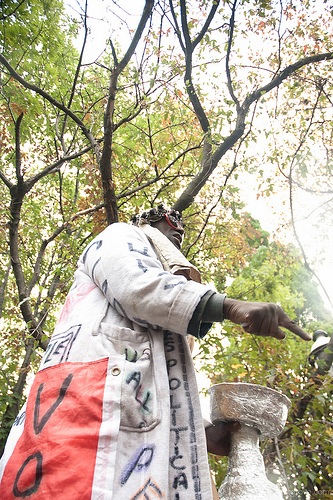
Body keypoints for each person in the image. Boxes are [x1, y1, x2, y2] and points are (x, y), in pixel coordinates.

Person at [0, 204, 310, 500]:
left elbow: (157, 386)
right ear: (146, 222)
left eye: (183, 227)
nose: (180, 228)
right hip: (77, 411)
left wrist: (202, 433)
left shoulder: (169, 314)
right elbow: (137, 289)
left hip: (131, 453)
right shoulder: (120, 234)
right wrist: (229, 306)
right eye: (171, 219)